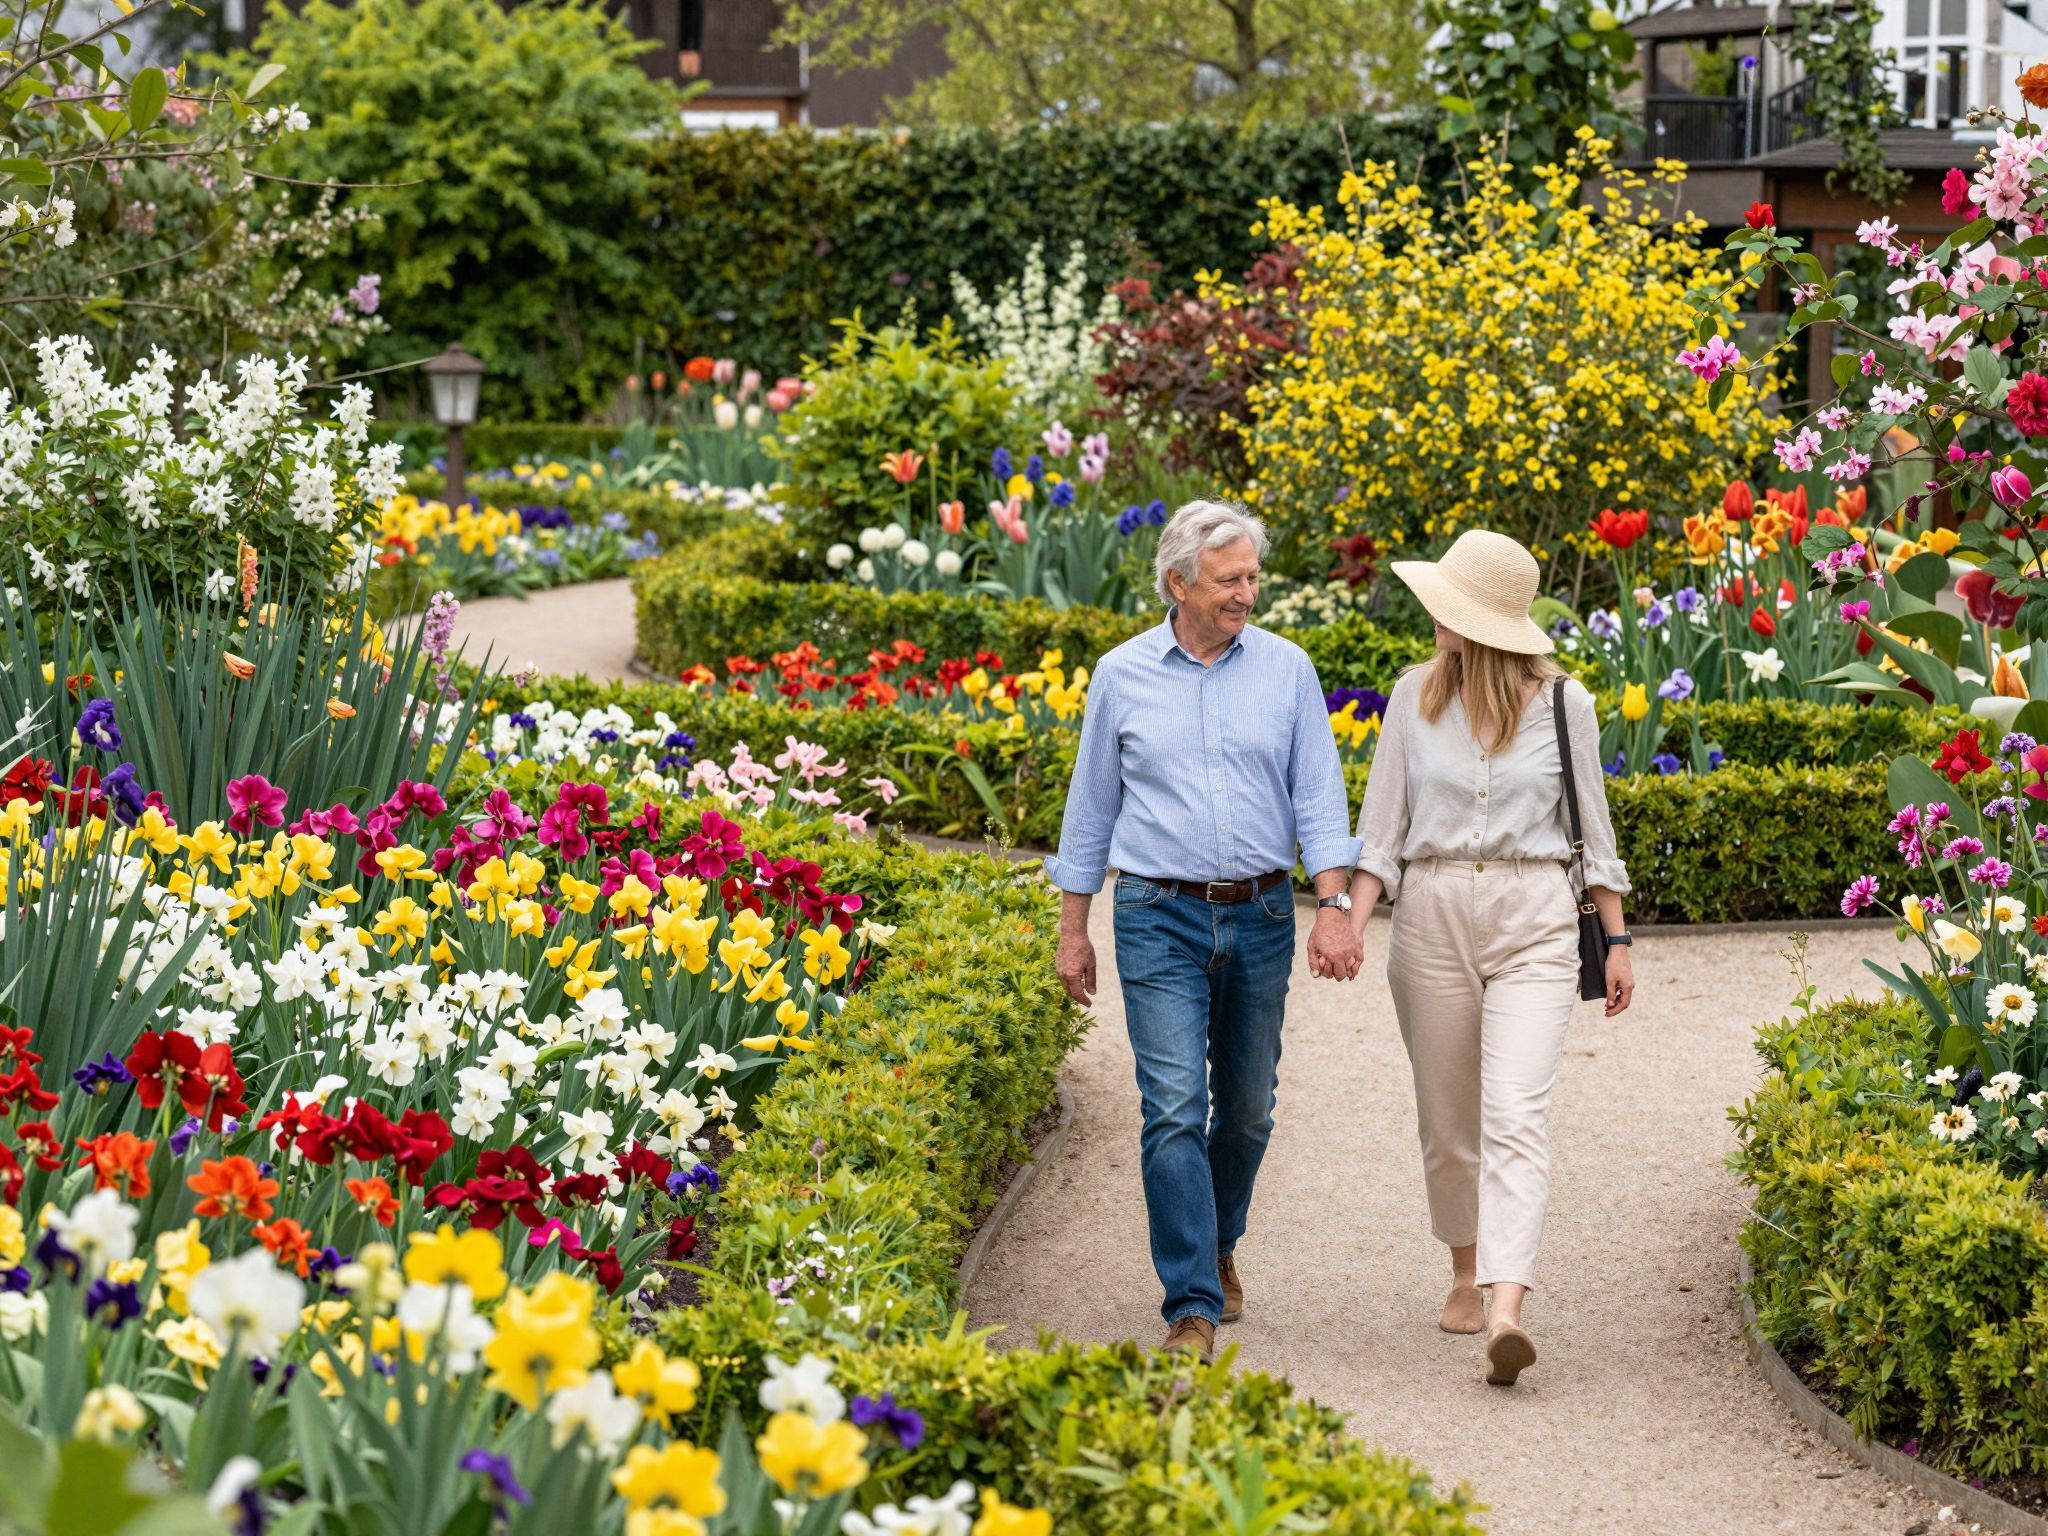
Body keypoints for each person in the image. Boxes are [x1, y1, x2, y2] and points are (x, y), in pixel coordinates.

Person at [1047, 499, 1363, 1366]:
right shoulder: (1120, 675)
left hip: (1261, 913)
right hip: (1156, 913)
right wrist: (1074, 930)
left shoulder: (1287, 669)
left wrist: (1332, 906)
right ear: (1178, 582)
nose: (1247, 594)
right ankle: (1190, 1300)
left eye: (1253, 577)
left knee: (1250, 1111)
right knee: (1175, 1107)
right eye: (1230, 580)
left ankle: (1219, 1237)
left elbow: (1319, 796)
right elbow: (1091, 811)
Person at [1343, 527, 1634, 1387]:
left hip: (1536, 915)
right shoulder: (1412, 695)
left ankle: (1507, 1305)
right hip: (1430, 912)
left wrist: (1615, 939)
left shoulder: (1562, 705)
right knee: (1449, 1119)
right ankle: (1462, 1272)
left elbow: (1593, 833)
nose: (1436, 615)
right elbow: (1382, 829)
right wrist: (1350, 921)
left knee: (1516, 1113)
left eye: (1449, 605)